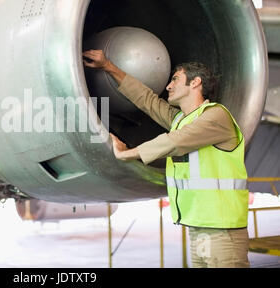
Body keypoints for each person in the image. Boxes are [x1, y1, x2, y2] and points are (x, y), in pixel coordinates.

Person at [83, 49, 249, 268]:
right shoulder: (181, 119)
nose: (168, 86)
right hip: (197, 225)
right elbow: (146, 100)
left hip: (222, 228)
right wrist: (109, 67)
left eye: (175, 79)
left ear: (195, 83)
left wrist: (128, 153)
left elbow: (176, 141)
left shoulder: (216, 116)